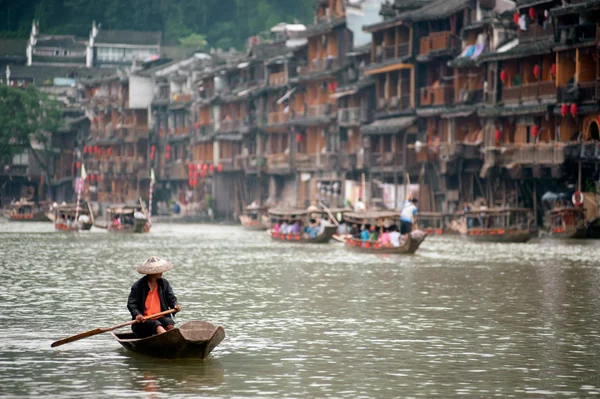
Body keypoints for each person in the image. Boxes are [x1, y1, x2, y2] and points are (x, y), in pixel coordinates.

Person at [127, 256, 181, 338]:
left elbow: (171, 298)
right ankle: (168, 341)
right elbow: (131, 304)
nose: (161, 272)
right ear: (152, 272)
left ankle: (170, 340)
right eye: (158, 270)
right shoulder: (138, 286)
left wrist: (175, 305)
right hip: (144, 321)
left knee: (169, 323)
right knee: (157, 325)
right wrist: (137, 314)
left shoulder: (163, 283)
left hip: (160, 317)